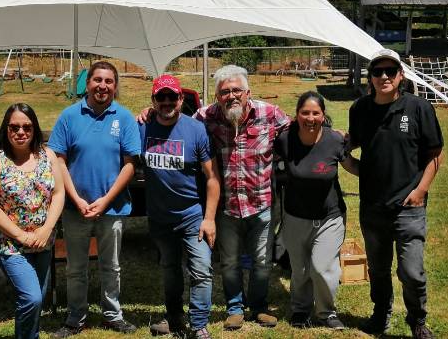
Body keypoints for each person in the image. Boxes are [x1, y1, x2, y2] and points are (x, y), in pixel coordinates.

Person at [347, 49, 443, 339]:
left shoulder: (418, 108)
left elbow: (435, 153)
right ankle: (380, 315)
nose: (384, 76)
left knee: (411, 272)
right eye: (378, 72)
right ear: (371, 77)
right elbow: (351, 149)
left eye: (390, 71)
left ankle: (417, 320)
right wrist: (332, 148)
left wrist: (421, 189)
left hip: (409, 206)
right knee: (377, 269)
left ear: (401, 75)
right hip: (373, 207)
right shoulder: (360, 110)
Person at [47, 61, 142, 337]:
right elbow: (59, 161)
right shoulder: (68, 116)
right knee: (76, 268)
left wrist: (106, 200)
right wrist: (76, 199)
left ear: (115, 86)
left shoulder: (124, 117)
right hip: (76, 209)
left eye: (109, 81)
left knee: (111, 266)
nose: (103, 86)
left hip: (112, 208)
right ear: (87, 83)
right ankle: (75, 318)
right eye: (97, 80)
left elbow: (129, 165)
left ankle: (113, 314)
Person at [194, 65, 291, 330]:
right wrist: (147, 114)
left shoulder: (270, 114)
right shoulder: (205, 117)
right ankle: (235, 307)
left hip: (261, 205)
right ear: (217, 96)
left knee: (262, 261)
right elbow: (179, 128)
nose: (231, 96)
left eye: (237, 90)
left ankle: (259, 306)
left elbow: (300, 130)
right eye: (225, 92)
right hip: (227, 206)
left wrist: (330, 133)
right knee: (229, 262)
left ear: (248, 92)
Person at [140, 75, 221, 339]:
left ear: (181, 99)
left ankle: (198, 325)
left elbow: (212, 178)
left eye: (171, 97)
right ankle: (174, 317)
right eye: (160, 97)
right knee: (170, 269)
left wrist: (209, 219)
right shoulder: (142, 127)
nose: (166, 102)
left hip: (192, 216)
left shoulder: (196, 130)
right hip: (160, 217)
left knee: (201, 269)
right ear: (153, 100)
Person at [0, 103, 65, 339]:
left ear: (34, 129)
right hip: (11, 245)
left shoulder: (48, 156)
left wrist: (46, 229)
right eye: (14, 127)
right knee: (32, 297)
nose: (20, 132)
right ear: (5, 130)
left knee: (36, 298)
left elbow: (59, 193)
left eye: (27, 127)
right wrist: (22, 236)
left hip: (43, 242)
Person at [273, 91, 358, 330]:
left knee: (322, 268)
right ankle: (300, 310)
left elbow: (352, 166)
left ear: (323, 116)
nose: (310, 118)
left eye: (316, 113)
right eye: (305, 112)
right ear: (297, 115)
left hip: (330, 217)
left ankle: (326, 312)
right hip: (295, 216)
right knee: (299, 270)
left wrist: (383, 173)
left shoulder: (334, 140)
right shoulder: (285, 140)